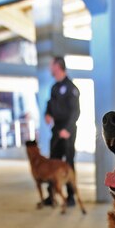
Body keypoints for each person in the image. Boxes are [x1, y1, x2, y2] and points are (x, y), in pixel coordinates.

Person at [44, 56, 80, 207]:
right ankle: (51, 195)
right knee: (53, 162)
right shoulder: (54, 87)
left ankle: (71, 196)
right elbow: (50, 104)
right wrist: (47, 113)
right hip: (56, 129)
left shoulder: (71, 88)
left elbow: (76, 112)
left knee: (68, 163)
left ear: (57, 66)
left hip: (68, 130)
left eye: (50, 65)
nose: (49, 68)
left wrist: (67, 130)